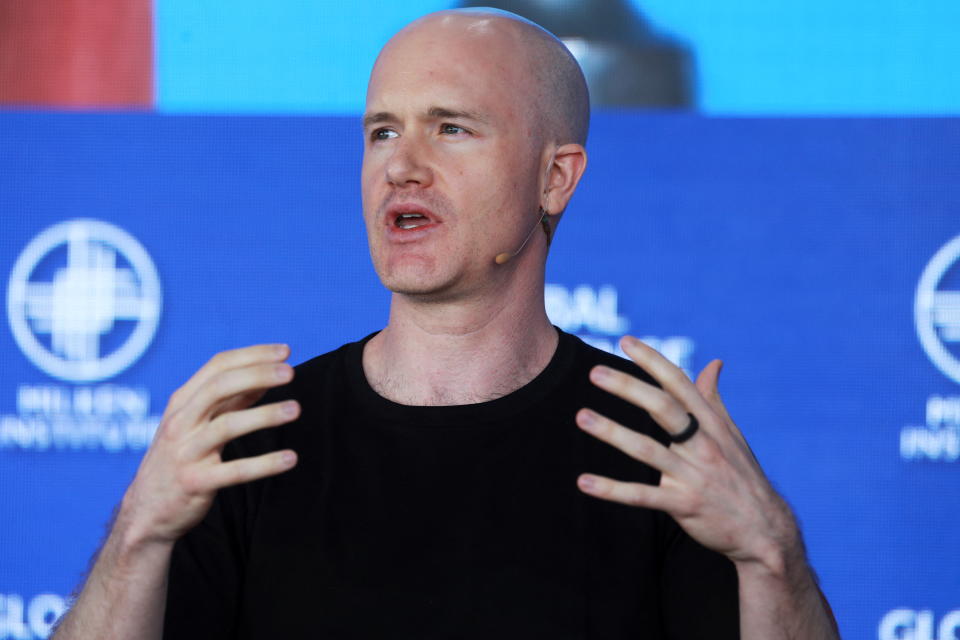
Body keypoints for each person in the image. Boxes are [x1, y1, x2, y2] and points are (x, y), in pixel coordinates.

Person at [52, 8, 839, 639]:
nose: (402, 164)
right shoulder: (253, 437)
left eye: (451, 127)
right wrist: (138, 537)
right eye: (382, 131)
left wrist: (771, 557)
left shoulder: (653, 443)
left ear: (554, 178)